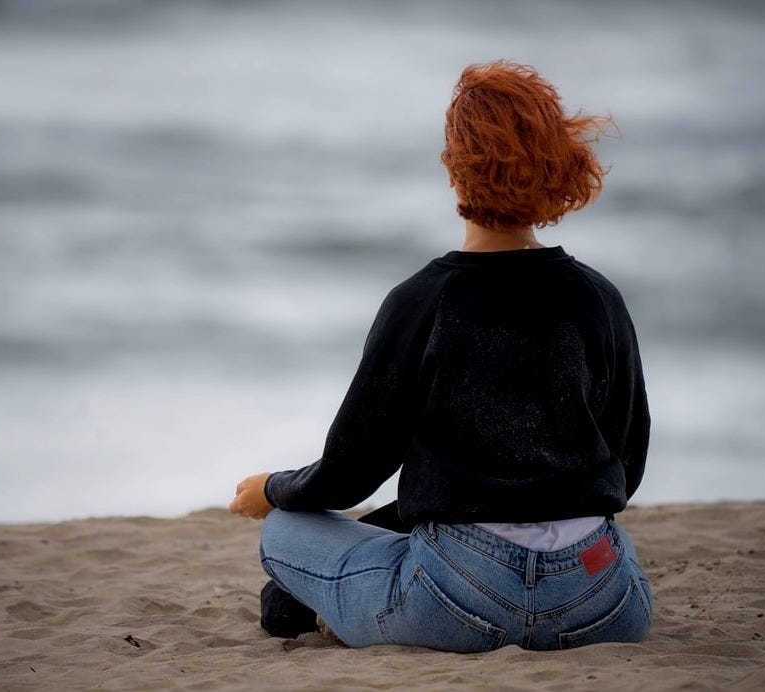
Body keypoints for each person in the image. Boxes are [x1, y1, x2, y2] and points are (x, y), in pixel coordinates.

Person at [229, 60, 653, 652]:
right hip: (601, 604)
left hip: (460, 599)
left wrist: (273, 490)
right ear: (558, 163)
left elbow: (352, 470)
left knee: (285, 532)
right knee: (611, 543)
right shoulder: (597, 298)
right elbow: (625, 463)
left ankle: (324, 604)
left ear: (454, 167)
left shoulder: (423, 301)